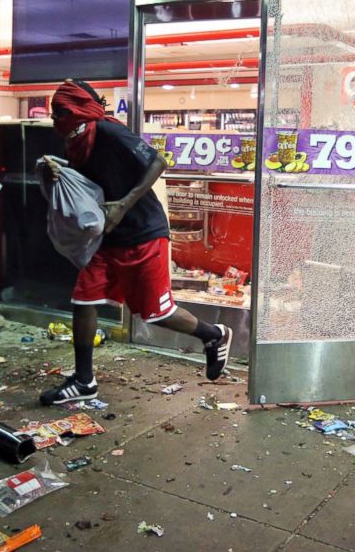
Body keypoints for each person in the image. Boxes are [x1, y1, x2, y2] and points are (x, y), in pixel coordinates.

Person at [39, 79, 233, 406]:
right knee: (84, 300)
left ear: (78, 111)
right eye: (53, 113)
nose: (55, 120)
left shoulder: (110, 133)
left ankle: (214, 335)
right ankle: (84, 380)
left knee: (157, 313)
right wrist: (56, 174)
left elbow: (159, 162)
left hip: (143, 232)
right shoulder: (74, 142)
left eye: (60, 113)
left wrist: (122, 205)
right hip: (108, 237)